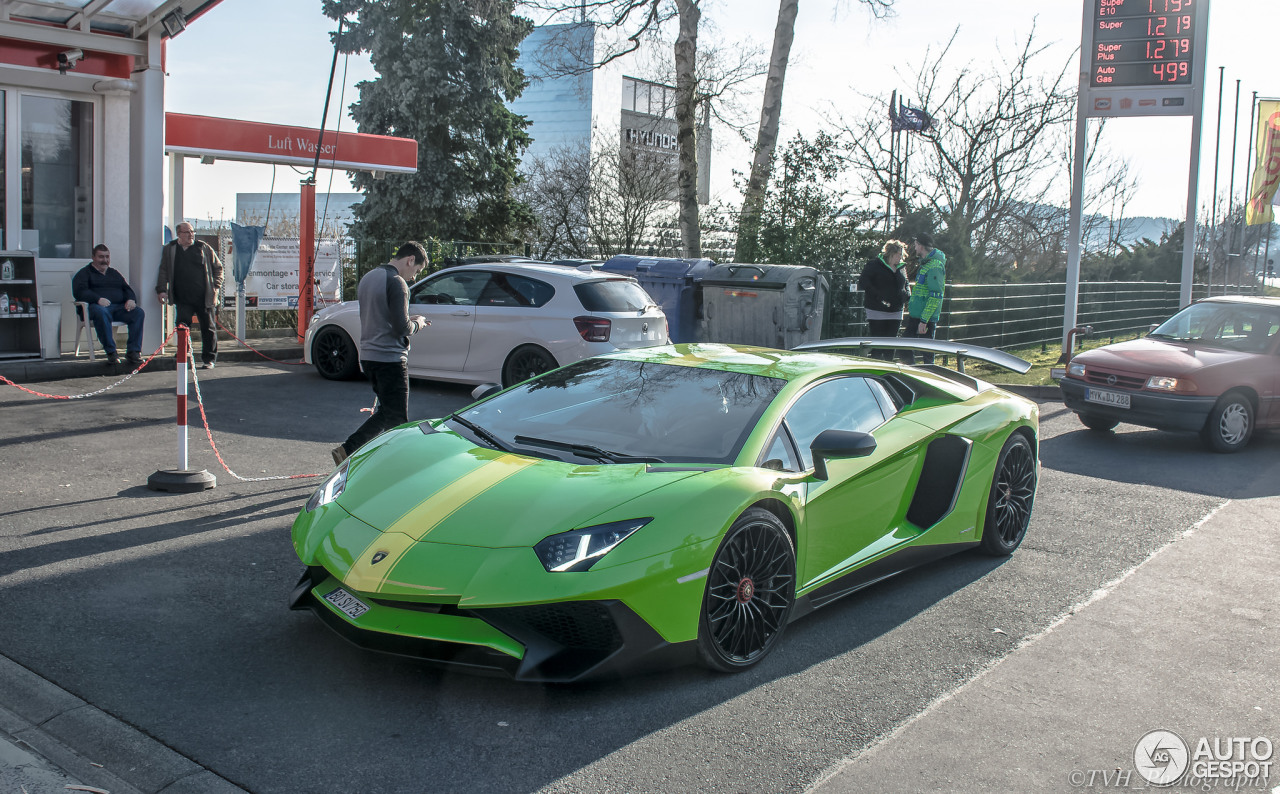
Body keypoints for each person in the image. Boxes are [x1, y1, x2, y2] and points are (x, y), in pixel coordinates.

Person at [332, 243, 431, 466]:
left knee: (386, 412)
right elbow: (402, 328)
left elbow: (381, 316)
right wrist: (419, 324)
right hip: (390, 359)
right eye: (416, 271)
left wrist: (407, 321)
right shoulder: (397, 283)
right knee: (398, 421)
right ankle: (398, 468)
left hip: (368, 356)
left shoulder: (369, 277)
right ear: (409, 260)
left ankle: (348, 450)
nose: (414, 278)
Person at [156, 222, 224, 369]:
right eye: (187, 232)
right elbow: (164, 270)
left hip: (203, 296)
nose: (191, 235)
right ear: (179, 234)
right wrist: (161, 289)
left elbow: (218, 268)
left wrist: (215, 288)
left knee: (208, 328)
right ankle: (183, 353)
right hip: (182, 297)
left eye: (192, 231)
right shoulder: (170, 249)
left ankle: (209, 359)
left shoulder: (203, 247)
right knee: (182, 326)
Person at [71, 244, 146, 366]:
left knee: (138, 312)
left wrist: (131, 299)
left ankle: (133, 351)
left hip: (118, 308)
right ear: (93, 257)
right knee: (101, 311)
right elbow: (79, 292)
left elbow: (126, 289)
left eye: (107, 257)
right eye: (101, 257)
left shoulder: (114, 273)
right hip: (95, 308)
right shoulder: (84, 273)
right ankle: (111, 352)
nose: (104, 260)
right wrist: (97, 299)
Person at [857, 239, 909, 360]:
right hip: (876, 310)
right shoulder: (874, 265)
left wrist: (906, 294)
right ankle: (875, 366)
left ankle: (889, 367)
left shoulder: (901, 267)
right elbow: (864, 281)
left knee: (891, 343)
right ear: (891, 253)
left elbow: (906, 283)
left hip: (896, 310)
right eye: (898, 254)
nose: (900, 257)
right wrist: (878, 295)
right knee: (877, 342)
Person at [902, 232, 946, 365]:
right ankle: (913, 373)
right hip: (918, 315)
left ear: (920, 246)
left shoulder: (934, 266)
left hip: (924, 318)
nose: (914, 248)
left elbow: (935, 295)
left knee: (926, 353)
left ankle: (923, 376)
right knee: (907, 347)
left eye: (916, 245)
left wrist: (924, 320)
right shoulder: (926, 264)